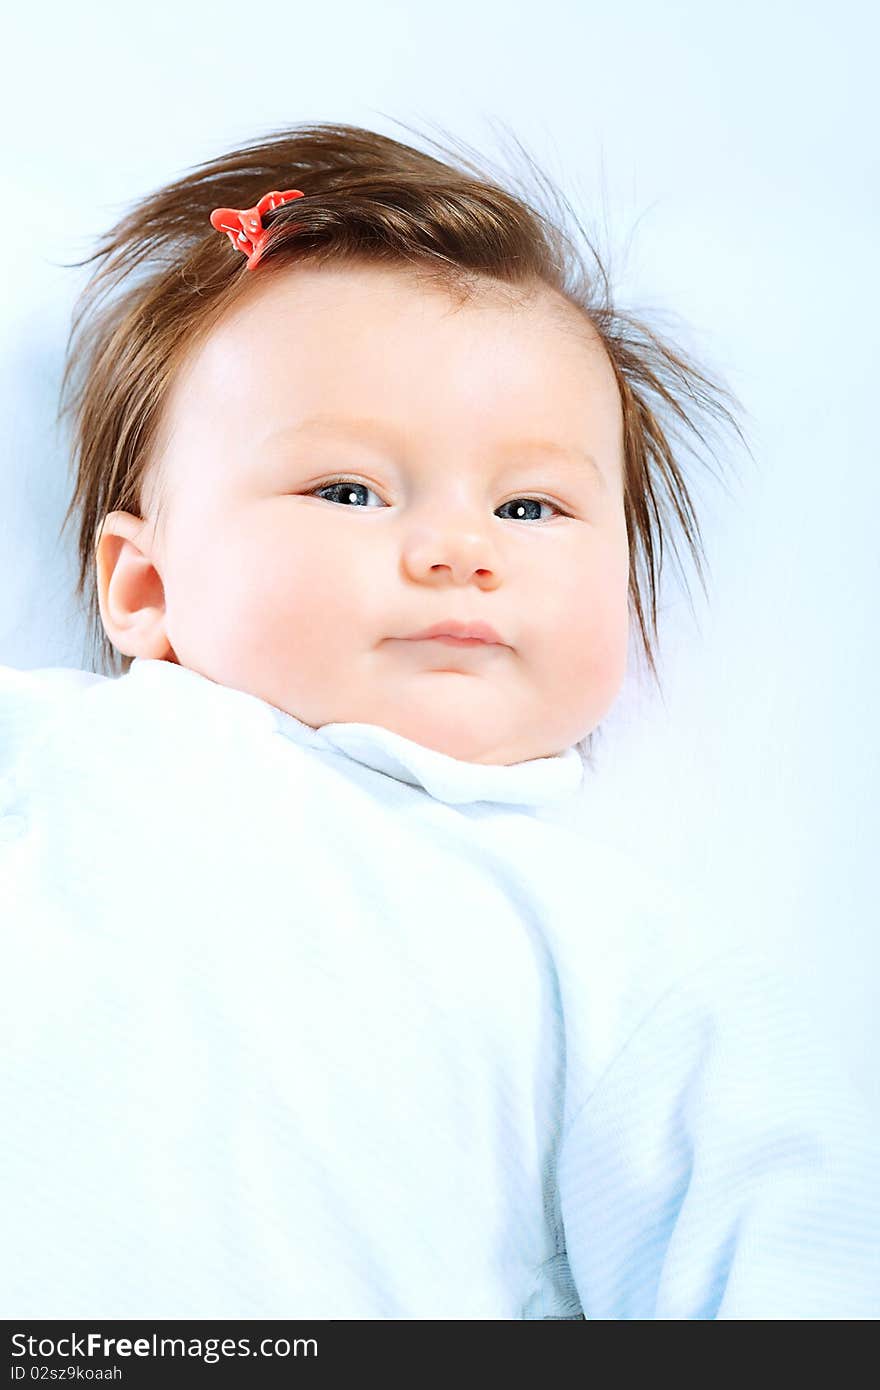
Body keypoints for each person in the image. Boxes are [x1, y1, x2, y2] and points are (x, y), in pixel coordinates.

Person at [1, 120, 877, 1319]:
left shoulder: (624, 961)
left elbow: (791, 1267)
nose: (459, 548)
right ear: (144, 588)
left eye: (530, 505)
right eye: (350, 489)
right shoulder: (56, 751)